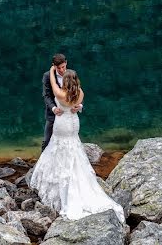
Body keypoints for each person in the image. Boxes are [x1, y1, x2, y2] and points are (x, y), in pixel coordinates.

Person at [30, 63, 125, 222]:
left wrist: (53, 71)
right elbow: (78, 102)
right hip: (74, 123)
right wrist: (78, 106)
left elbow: (53, 86)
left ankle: (60, 180)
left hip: (63, 124)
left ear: (66, 82)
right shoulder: (79, 93)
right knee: (73, 147)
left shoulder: (61, 94)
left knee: (59, 147)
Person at [42, 53, 82, 151]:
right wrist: (53, 108)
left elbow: (78, 91)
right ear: (53, 65)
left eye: (63, 67)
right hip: (53, 114)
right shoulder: (47, 76)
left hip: (70, 116)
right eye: (58, 68)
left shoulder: (71, 73)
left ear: (66, 63)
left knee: (70, 143)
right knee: (47, 141)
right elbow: (46, 95)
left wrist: (79, 105)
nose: (61, 70)